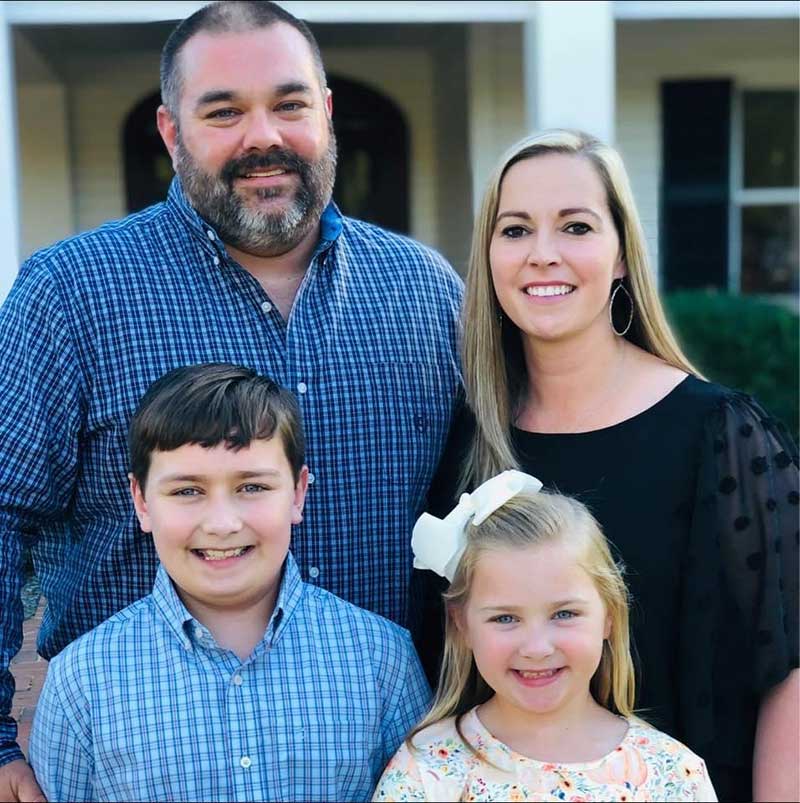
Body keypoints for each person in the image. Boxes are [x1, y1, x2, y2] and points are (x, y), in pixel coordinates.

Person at [0, 2, 461, 798]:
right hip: (142, 760)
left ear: (325, 115)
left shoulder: (426, 295)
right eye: (223, 112)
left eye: (289, 104)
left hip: (392, 763)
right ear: (171, 132)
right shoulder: (70, 294)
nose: (263, 137)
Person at [414, 129, 798, 802]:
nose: (543, 254)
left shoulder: (723, 435)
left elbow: (787, 670)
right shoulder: (464, 447)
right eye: (515, 230)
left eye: (576, 226)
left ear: (622, 253)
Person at [28, 363, 431, 802]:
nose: (222, 523)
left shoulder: (381, 659)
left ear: (297, 493)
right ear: (141, 501)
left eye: (252, 487)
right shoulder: (82, 681)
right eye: (187, 491)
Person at [375, 471, 717, 801]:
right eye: (505, 618)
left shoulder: (670, 773)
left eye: (564, 614)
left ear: (609, 615)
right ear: (462, 624)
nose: (537, 648)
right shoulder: (428, 770)